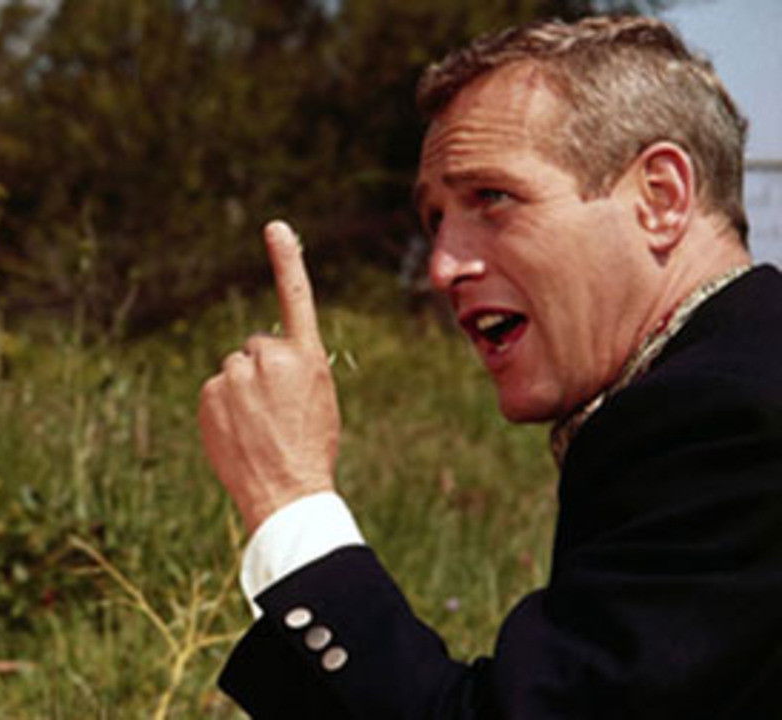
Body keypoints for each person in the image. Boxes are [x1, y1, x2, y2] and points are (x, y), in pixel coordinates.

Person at [200, 15, 782, 717]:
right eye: (435, 221)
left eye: (492, 199)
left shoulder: (728, 421)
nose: (443, 268)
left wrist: (290, 501)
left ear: (660, 197)